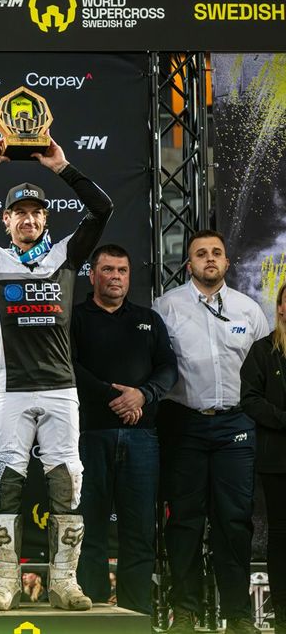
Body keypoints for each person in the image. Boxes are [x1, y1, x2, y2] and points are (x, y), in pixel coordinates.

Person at [0, 136, 113, 611]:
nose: (29, 219)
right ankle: (5, 583)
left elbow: (102, 209)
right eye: (19, 212)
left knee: (67, 484)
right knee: (5, 483)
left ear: (45, 219)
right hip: (12, 389)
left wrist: (63, 168)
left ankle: (64, 582)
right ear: (6, 220)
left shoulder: (65, 254)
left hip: (61, 389)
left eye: (36, 212)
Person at [153, 229, 268, 634]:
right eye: (201, 253)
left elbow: (263, 370)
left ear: (227, 262)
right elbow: (155, 366)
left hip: (236, 425)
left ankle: (237, 615)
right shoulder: (166, 307)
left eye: (216, 252)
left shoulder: (248, 310)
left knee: (234, 522)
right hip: (184, 423)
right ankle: (184, 612)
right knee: (184, 521)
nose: (210, 258)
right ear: (189, 265)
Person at [71, 243, 178, 614]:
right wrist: (114, 398)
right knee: (89, 532)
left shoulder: (148, 319)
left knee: (139, 533)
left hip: (142, 438)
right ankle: (93, 615)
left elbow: (168, 368)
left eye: (122, 270)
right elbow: (68, 368)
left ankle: (136, 616)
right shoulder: (75, 318)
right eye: (107, 270)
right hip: (89, 437)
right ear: (92, 275)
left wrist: (142, 396)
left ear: (130, 277)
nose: (115, 277)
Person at [240, 282, 286, 634]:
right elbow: (250, 399)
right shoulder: (263, 350)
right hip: (278, 461)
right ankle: (282, 614)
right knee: (281, 536)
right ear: (280, 307)